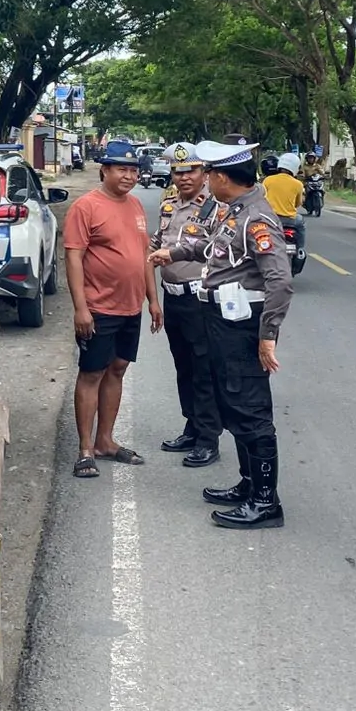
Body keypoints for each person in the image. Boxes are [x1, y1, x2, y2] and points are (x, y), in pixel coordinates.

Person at [150, 140, 292, 530]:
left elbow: (280, 281)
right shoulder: (233, 212)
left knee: (251, 411)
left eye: (209, 173)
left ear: (223, 177)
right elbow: (210, 248)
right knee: (233, 405)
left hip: (243, 326)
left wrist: (268, 336)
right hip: (220, 320)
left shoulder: (257, 219)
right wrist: (173, 254)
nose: (205, 179)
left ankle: (266, 502)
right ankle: (249, 485)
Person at [63, 138, 162, 480]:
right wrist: (81, 308)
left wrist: (153, 299)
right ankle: (85, 449)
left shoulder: (134, 205)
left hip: (130, 308)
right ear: (104, 170)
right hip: (98, 307)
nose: (129, 176)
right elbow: (73, 257)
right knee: (92, 373)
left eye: (133, 170)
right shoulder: (85, 207)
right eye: (122, 169)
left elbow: (143, 256)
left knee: (118, 368)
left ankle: (106, 440)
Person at [149, 142, 223, 468]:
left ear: (204, 172)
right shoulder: (168, 206)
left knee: (204, 369)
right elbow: (156, 243)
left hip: (200, 299)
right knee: (184, 367)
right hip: (173, 297)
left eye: (190, 170)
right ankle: (192, 426)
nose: (183, 178)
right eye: (178, 172)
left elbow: (221, 249)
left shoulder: (216, 208)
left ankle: (209, 438)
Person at [261, 153, 305, 220]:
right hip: (289, 219)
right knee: (301, 222)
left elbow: (262, 197)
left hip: (271, 218)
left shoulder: (268, 180)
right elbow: (298, 203)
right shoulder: (299, 184)